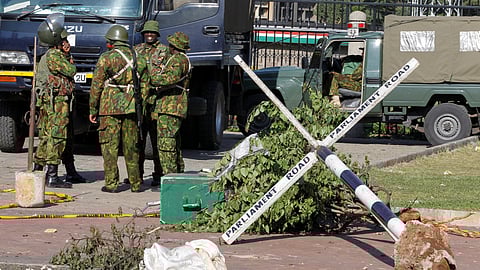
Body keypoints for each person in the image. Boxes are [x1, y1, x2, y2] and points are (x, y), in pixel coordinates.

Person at [89, 25, 146, 193]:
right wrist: (138, 104)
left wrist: (93, 109)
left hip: (109, 108)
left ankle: (112, 184)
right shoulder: (138, 58)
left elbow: (96, 85)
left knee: (109, 147)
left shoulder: (106, 58)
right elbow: (145, 85)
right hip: (131, 108)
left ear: (112, 41)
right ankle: (136, 184)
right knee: (132, 147)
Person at [33, 14, 87, 188]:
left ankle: (39, 169)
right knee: (57, 136)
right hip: (57, 103)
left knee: (52, 136)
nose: (66, 42)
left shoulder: (51, 55)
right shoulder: (55, 55)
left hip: (57, 102)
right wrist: (68, 58)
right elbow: (71, 70)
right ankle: (52, 175)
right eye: (64, 40)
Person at [148, 32, 191, 176]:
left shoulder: (178, 60)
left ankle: (170, 176)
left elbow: (169, 78)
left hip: (171, 106)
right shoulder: (181, 58)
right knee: (174, 142)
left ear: (174, 46)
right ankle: (178, 173)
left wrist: (153, 76)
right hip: (172, 105)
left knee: (166, 143)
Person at [133, 20, 168, 187]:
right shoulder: (136, 50)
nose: (149, 35)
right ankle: (136, 175)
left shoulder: (164, 51)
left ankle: (158, 174)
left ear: (157, 35)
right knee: (137, 141)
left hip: (156, 101)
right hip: (139, 102)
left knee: (156, 142)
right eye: (146, 32)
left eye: (152, 33)